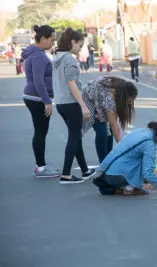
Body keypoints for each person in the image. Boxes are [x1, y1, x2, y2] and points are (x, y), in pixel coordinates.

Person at [93, 120, 157, 196]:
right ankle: (130, 187)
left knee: (138, 157)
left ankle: (118, 187)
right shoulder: (149, 143)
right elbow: (147, 173)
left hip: (105, 173)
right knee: (147, 163)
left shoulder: (142, 131)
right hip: (118, 176)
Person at [53, 28, 95, 185]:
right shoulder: (69, 59)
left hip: (61, 103)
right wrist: (83, 105)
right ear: (72, 42)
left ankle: (85, 170)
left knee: (75, 136)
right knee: (74, 138)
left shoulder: (57, 58)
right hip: (71, 103)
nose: (80, 48)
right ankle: (66, 174)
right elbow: (71, 83)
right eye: (79, 45)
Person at [22, 24, 59, 178]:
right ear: (43, 38)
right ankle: (41, 167)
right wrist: (47, 102)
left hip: (34, 97)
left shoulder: (34, 52)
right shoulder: (38, 55)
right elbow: (38, 80)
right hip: (37, 98)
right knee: (40, 132)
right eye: (51, 39)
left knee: (40, 131)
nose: (53, 43)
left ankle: (41, 166)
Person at [82, 76, 138, 163]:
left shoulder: (123, 86)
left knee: (109, 131)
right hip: (88, 99)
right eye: (128, 101)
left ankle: (109, 158)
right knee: (102, 130)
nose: (129, 103)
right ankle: (104, 162)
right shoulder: (110, 99)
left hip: (100, 98)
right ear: (124, 96)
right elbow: (113, 124)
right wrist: (122, 147)